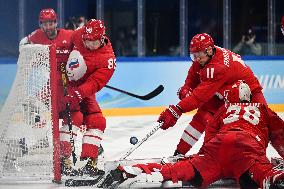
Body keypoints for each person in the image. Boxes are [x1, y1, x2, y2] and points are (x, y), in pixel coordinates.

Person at [103, 81, 284, 189]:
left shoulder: (225, 108)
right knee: (262, 172)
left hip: (219, 145)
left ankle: (136, 171)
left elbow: (210, 134)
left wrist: (205, 157)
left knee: (184, 169)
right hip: (248, 147)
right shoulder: (263, 109)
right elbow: (280, 135)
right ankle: (275, 178)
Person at [161, 33, 266, 157]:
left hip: (248, 95)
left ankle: (257, 158)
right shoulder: (203, 58)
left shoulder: (217, 67)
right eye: (193, 55)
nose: (196, 59)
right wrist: (186, 89)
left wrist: (176, 110)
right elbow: (191, 81)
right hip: (223, 92)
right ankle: (178, 154)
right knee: (202, 117)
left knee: (257, 126)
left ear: (209, 50)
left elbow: (198, 97)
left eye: (198, 55)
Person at [18, 9, 83, 176]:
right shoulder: (36, 36)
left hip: (69, 85)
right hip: (50, 86)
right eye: (45, 23)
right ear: (41, 25)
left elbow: (83, 44)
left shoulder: (69, 35)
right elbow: (22, 45)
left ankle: (66, 156)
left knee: (75, 117)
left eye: (51, 22)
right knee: (30, 107)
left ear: (56, 22)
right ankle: (40, 141)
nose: (48, 26)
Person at [61, 19, 116, 176]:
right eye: (86, 40)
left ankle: (88, 161)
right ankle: (63, 158)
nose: (88, 44)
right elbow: (66, 43)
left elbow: (94, 83)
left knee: (97, 121)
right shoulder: (80, 34)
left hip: (83, 89)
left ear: (102, 38)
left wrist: (78, 93)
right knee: (75, 118)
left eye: (92, 42)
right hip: (63, 83)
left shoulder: (107, 59)